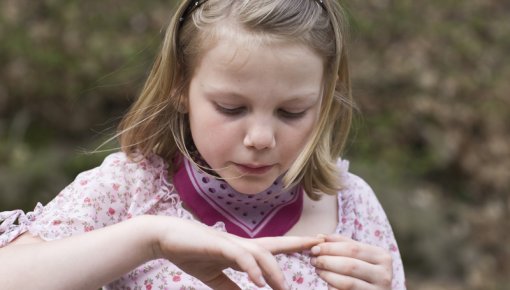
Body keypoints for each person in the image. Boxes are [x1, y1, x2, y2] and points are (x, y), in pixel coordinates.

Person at [0, 0, 406, 289]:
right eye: (231, 108)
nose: (260, 139)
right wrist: (148, 239)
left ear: (325, 99)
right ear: (180, 86)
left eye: (292, 112)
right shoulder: (128, 191)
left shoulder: (351, 206)